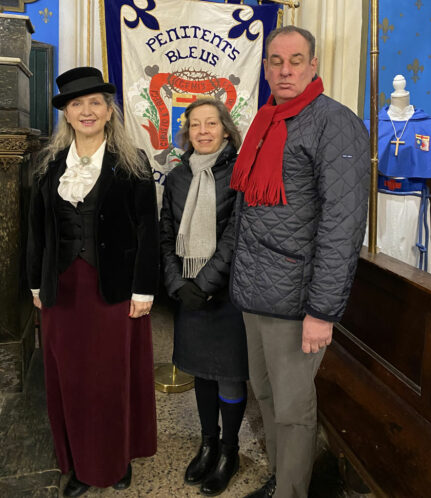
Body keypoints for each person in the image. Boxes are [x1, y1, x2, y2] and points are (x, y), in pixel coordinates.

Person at [229, 26, 370, 498]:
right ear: (266, 66)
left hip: (297, 299)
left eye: (295, 60)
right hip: (255, 290)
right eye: (275, 61)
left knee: (291, 407)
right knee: (265, 394)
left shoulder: (336, 122)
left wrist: (322, 311)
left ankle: (291, 491)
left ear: (313, 65)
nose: (285, 70)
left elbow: (343, 224)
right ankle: (281, 478)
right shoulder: (268, 118)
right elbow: (249, 208)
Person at [26, 66, 159, 497]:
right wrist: (34, 284)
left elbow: (147, 232)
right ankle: (80, 464)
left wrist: (143, 289)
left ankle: (117, 458)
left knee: (111, 379)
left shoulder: (133, 164)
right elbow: (37, 233)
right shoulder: (46, 168)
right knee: (73, 379)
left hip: (114, 291)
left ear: (108, 111)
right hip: (61, 290)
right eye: (76, 104)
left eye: (95, 102)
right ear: (66, 113)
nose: (86, 111)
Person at [160, 97, 248, 496]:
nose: (203, 131)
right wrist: (179, 285)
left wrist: (205, 284)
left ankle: (230, 451)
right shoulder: (177, 177)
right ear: (187, 132)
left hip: (226, 291)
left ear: (226, 130)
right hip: (188, 291)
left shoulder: (240, 172)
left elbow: (237, 235)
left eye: (211, 123)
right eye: (195, 125)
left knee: (228, 373)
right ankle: (207, 443)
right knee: (200, 371)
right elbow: (165, 235)